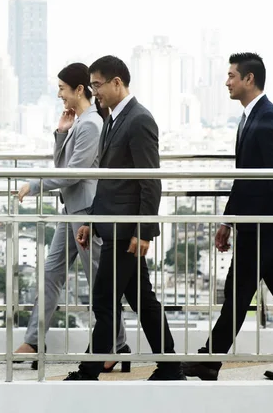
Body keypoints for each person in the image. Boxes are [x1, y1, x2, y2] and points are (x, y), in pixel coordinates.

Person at [64, 55, 185, 381]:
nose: (95, 92)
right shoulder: (113, 119)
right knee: (142, 301)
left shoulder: (138, 120)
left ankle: (89, 371)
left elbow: (150, 181)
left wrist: (144, 232)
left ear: (118, 82)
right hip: (113, 225)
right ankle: (171, 367)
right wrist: (91, 220)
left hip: (126, 231)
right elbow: (108, 179)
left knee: (104, 301)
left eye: (98, 85)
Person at [183, 52, 273, 382]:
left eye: (232, 76)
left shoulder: (268, 119)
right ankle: (209, 360)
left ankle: (209, 360)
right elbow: (244, 178)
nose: (227, 82)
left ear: (249, 79)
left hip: (265, 227)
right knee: (264, 292)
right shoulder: (250, 118)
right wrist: (227, 222)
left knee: (238, 292)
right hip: (254, 226)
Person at [15, 62, 129, 372]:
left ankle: (118, 345)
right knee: (51, 273)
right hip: (72, 212)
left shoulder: (91, 124)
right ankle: (34, 339)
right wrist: (60, 134)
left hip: (87, 213)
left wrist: (35, 185)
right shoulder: (81, 123)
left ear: (80, 90)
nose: (59, 95)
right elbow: (62, 165)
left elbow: (72, 174)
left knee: (99, 283)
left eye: (63, 89)